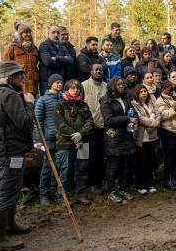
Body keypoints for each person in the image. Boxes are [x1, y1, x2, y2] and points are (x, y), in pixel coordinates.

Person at [0, 61, 35, 250]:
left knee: (13, 187)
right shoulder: (9, 95)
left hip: (7, 149)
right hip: (9, 151)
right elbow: (24, 122)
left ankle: (10, 224)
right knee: (7, 190)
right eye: (18, 75)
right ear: (9, 78)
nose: (22, 78)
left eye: (22, 74)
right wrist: (30, 104)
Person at [53, 80, 95, 205]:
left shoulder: (84, 105)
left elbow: (90, 122)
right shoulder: (60, 105)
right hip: (65, 144)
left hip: (83, 143)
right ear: (66, 90)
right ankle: (62, 198)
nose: (76, 90)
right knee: (65, 171)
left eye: (78, 88)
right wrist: (74, 136)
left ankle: (81, 194)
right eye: (72, 88)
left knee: (82, 169)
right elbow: (60, 125)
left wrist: (80, 134)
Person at [100, 77, 136, 204]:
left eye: (123, 84)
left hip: (126, 136)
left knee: (123, 166)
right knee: (113, 166)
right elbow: (108, 120)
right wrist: (127, 119)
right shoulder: (106, 101)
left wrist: (133, 118)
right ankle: (111, 191)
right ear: (113, 86)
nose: (122, 86)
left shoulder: (125, 98)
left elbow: (132, 113)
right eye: (119, 84)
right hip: (113, 137)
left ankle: (123, 189)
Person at [34, 74, 63, 205]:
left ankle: (56, 192)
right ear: (51, 84)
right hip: (49, 138)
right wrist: (38, 140)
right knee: (47, 167)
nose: (60, 84)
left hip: (63, 138)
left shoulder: (63, 99)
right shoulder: (43, 100)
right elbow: (37, 121)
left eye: (61, 82)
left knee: (60, 166)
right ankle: (43, 194)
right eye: (57, 82)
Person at [155, 80, 176, 190]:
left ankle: (173, 178)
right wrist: (173, 108)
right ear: (164, 89)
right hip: (168, 131)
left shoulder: (173, 98)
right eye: (169, 88)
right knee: (169, 157)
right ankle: (167, 180)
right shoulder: (159, 101)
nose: (171, 89)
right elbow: (162, 116)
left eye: (172, 88)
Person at [82, 64, 108, 194]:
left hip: (103, 127)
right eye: (96, 70)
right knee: (89, 156)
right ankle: (90, 184)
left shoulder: (106, 86)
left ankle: (100, 182)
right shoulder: (84, 85)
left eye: (101, 70)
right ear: (91, 71)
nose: (99, 72)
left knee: (101, 155)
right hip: (89, 127)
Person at [131, 85, 160, 194]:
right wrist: (154, 122)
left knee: (150, 161)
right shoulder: (134, 104)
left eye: (145, 91)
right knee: (140, 162)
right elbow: (140, 119)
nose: (144, 93)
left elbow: (158, 115)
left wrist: (154, 122)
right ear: (137, 93)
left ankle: (150, 184)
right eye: (141, 91)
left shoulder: (151, 102)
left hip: (152, 137)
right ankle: (140, 185)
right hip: (141, 138)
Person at [2, 22, 40, 95]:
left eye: (29, 32)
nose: (28, 34)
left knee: (31, 105)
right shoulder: (13, 47)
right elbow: (6, 64)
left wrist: (36, 77)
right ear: (20, 34)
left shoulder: (34, 49)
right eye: (25, 32)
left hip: (32, 85)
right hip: (18, 85)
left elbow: (36, 67)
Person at [38, 26, 74, 95]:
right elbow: (48, 62)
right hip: (47, 83)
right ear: (48, 34)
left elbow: (70, 60)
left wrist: (57, 58)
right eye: (53, 32)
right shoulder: (44, 45)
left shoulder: (62, 47)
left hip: (60, 83)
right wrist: (64, 61)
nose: (56, 35)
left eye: (58, 33)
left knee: (59, 103)